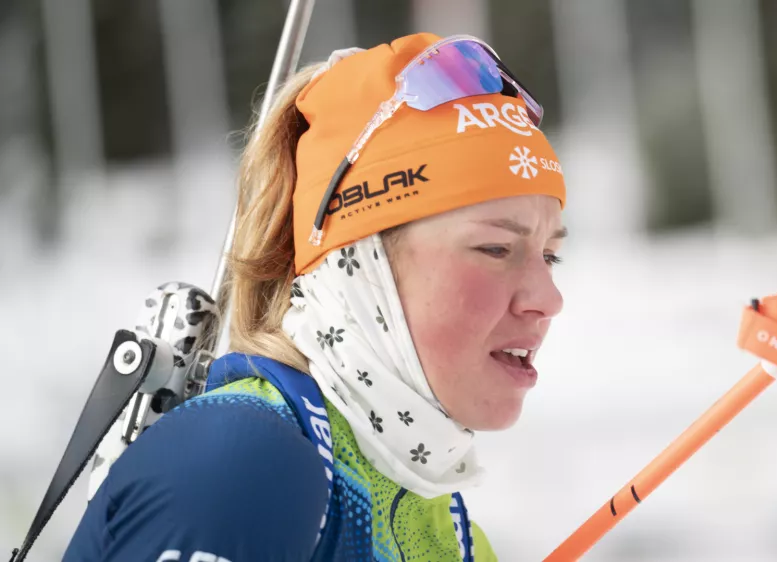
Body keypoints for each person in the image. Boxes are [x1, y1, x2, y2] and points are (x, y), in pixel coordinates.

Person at [63, 31, 567, 561]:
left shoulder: (448, 532)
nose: (548, 298)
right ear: (360, 265)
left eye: (550, 255)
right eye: (495, 248)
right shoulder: (246, 461)